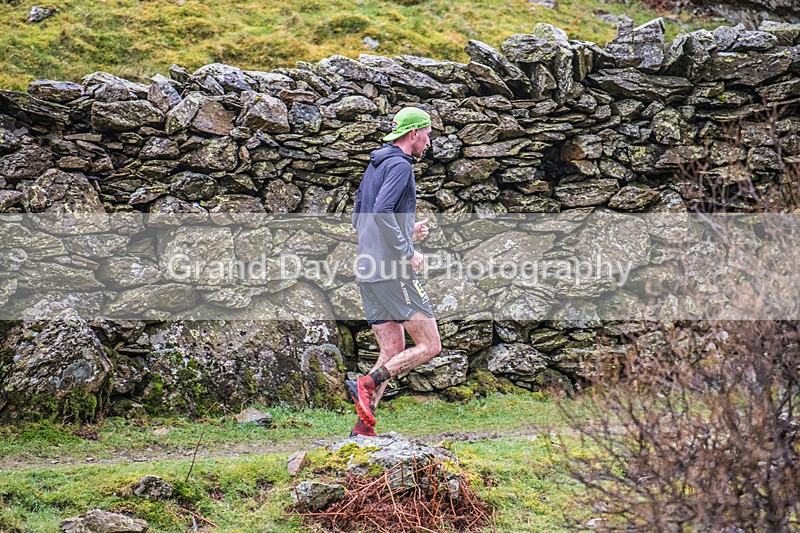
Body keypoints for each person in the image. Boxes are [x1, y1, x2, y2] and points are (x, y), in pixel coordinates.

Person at [345, 107, 442, 437]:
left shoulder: (375, 164)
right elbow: (383, 211)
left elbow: (362, 218)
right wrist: (406, 250)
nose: (428, 142)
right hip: (392, 271)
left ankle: (362, 429)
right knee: (430, 345)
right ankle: (368, 382)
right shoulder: (401, 165)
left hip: (368, 270)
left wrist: (405, 231)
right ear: (413, 134)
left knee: (391, 350)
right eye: (427, 134)